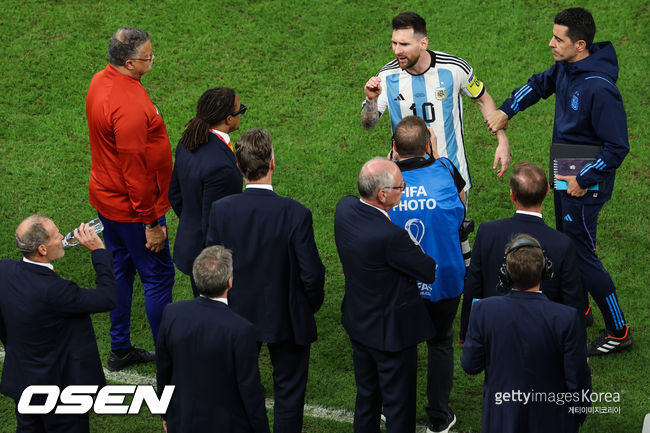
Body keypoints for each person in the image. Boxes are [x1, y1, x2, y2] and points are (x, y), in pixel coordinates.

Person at [485, 8, 631, 355]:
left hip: (583, 182)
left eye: (558, 39)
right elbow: (540, 84)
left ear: (580, 45)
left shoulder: (600, 89)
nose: (550, 43)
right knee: (567, 244)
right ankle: (579, 308)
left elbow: (617, 146)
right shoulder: (569, 66)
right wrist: (507, 110)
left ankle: (619, 331)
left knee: (581, 254)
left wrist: (583, 178)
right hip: (565, 173)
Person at [205, 129, 325, 433]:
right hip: (286, 316)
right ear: (273, 162)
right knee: (289, 393)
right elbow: (312, 274)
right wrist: (306, 305)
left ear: (239, 167)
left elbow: (209, 268)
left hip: (234, 315)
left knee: (236, 388)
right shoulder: (296, 213)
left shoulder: (221, 211)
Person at [86, 26, 175, 370]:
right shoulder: (130, 106)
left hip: (107, 201)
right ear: (128, 62)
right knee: (157, 277)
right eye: (148, 56)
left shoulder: (100, 81)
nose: (153, 59)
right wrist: (151, 222)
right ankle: (169, 359)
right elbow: (135, 172)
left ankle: (119, 347)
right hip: (134, 210)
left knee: (121, 269)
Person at [334, 157, 436, 433]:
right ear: (382, 195)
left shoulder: (344, 209)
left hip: (359, 324)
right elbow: (428, 270)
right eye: (401, 187)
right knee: (399, 410)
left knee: (366, 400)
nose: (404, 190)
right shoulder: (391, 237)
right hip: (391, 336)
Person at [361, 11, 511, 191]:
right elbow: (368, 124)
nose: (397, 50)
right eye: (394, 43)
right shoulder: (386, 76)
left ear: (423, 43)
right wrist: (371, 100)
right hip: (405, 180)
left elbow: (483, 100)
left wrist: (502, 139)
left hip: (451, 173)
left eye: (404, 44)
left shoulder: (454, 69)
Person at [461, 234, 591, 433]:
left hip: (502, 418)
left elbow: (470, 365)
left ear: (506, 274)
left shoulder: (483, 311)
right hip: (553, 420)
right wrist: (578, 414)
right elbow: (577, 379)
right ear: (546, 271)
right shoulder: (567, 318)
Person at [0, 215, 117, 433]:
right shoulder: (56, 291)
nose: (63, 237)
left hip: (23, 381)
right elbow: (108, 298)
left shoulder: (4, 270)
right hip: (59, 391)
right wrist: (99, 252)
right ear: (42, 250)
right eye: (56, 236)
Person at [387, 116, 465, 433]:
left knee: (398, 343)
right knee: (440, 342)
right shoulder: (446, 169)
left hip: (399, 280)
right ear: (429, 145)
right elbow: (460, 211)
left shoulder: (382, 181)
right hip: (444, 276)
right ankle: (438, 416)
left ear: (394, 148)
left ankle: (393, 410)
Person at [459, 162, 584, 343]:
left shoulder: (488, 233)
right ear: (548, 191)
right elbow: (573, 300)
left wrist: (466, 331)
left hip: (496, 332)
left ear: (512, 195)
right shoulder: (562, 244)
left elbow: (473, 284)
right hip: (544, 336)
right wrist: (577, 346)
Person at [156, 245, 269, 433]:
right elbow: (250, 391)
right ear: (230, 281)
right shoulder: (241, 330)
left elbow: (164, 370)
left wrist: (167, 414)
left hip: (183, 420)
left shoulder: (172, 313)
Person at [168, 87, 245, 297]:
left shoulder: (187, 142)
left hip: (193, 249)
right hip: (212, 262)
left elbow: (174, 194)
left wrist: (191, 221)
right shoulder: (222, 167)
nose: (241, 115)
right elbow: (217, 223)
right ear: (229, 119)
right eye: (241, 111)